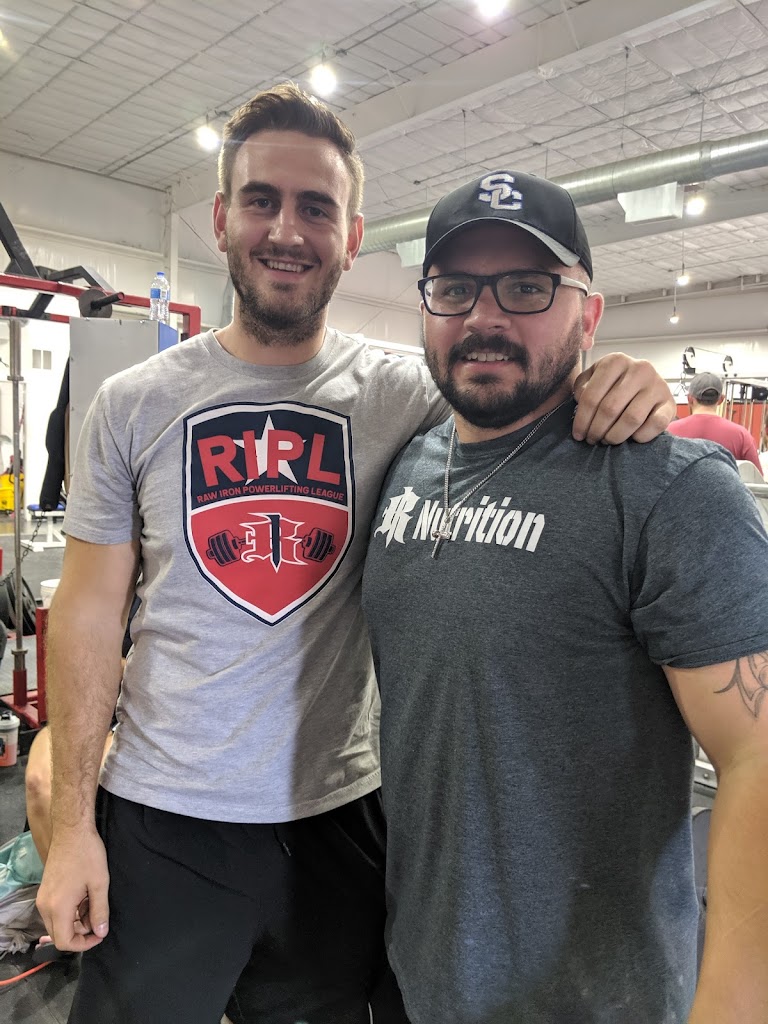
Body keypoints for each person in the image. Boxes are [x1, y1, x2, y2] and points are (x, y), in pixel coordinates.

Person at [36, 86, 676, 1024]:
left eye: (316, 207)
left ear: (352, 235)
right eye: (261, 200)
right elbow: (89, 612)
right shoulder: (132, 403)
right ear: (220, 218)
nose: (286, 230)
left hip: (341, 820)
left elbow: (519, 391)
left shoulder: (406, 393)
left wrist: (619, 377)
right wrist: (71, 827)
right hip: (164, 819)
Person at [362, 170, 768, 1024]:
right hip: (416, 976)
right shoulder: (404, 465)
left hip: (594, 1003)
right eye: (455, 288)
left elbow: (757, 757)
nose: (484, 317)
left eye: (526, 287)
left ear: (589, 313)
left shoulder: (668, 487)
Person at [668, 371, 763, 474]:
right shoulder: (741, 435)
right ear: (721, 399)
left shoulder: (669, 431)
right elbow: (756, 478)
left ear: (690, 399)